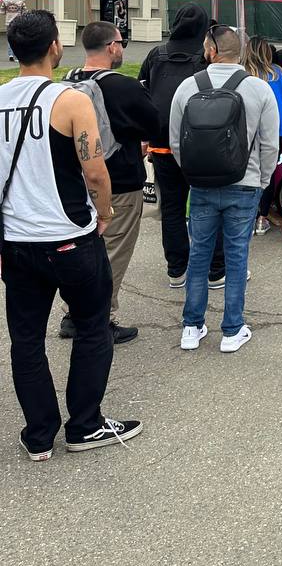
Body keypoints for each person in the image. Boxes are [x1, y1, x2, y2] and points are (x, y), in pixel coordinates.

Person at [0, 11, 142, 459]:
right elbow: (95, 170)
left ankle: (39, 434)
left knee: (26, 339)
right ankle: (85, 424)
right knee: (92, 328)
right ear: (55, 47)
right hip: (71, 238)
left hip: (18, 241)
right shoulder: (71, 100)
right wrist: (103, 214)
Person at [169, 25, 279, 354]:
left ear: (211, 51)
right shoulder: (259, 89)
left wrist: (193, 172)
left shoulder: (188, 87)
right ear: (241, 53)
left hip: (201, 186)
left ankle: (192, 326)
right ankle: (232, 329)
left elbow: (176, 141)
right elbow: (269, 145)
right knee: (236, 257)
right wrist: (260, 182)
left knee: (199, 255)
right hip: (244, 186)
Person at [60, 21, 160, 344]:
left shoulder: (68, 83)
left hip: (76, 183)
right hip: (119, 183)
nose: (122, 48)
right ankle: (98, 318)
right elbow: (154, 124)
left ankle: (73, 312)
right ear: (110, 47)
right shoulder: (124, 87)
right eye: (122, 42)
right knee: (113, 252)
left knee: (85, 251)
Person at [139, 4, 225, 288]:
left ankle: (177, 269)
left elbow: (143, 91)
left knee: (172, 208)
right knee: (207, 206)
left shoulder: (157, 54)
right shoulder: (206, 56)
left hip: (162, 145)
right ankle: (214, 270)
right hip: (199, 147)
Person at [243, 36, 282, 235]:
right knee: (269, 171)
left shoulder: (245, 75)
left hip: (253, 128)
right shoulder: (279, 73)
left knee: (248, 171)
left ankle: (247, 216)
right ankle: (262, 218)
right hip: (279, 128)